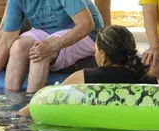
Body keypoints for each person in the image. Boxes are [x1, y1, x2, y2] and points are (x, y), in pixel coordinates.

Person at [17, 25, 150, 118]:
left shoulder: (85, 77)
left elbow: (42, 101)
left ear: (102, 55)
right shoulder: (148, 79)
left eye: (96, 49)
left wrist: (17, 117)